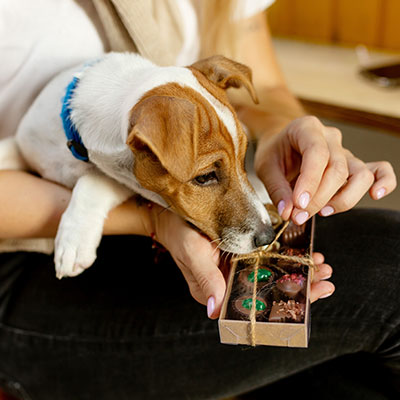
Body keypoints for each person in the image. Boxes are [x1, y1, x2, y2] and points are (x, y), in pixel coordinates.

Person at [0, 1, 398, 399]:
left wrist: (283, 130)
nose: (255, 220)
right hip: (30, 266)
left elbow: (268, 93)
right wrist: (152, 220)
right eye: (208, 175)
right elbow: (140, 158)